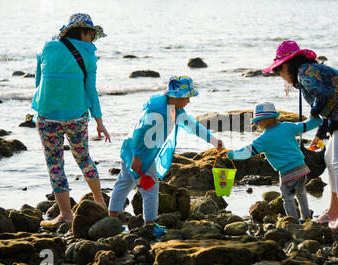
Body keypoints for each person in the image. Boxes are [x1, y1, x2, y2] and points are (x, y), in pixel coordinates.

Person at [262, 40, 338, 232]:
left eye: (278, 71)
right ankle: (333, 211)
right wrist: (320, 133)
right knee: (330, 160)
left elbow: (322, 96)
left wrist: (311, 117)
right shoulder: (307, 71)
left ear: (286, 65)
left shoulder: (305, 73)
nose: (280, 77)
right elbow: (328, 103)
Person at [108, 76, 224, 225]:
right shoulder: (157, 112)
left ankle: (111, 218)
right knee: (150, 189)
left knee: (125, 182)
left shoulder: (177, 111)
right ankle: (150, 224)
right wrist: (137, 157)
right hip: (139, 153)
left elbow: (193, 127)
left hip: (133, 150)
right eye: (187, 96)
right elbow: (138, 133)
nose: (189, 100)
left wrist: (214, 141)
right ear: (176, 96)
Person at [32, 13, 111, 228]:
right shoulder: (90, 55)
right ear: (83, 32)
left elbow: (39, 81)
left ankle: (65, 215)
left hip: (47, 117)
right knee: (84, 158)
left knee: (55, 165)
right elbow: (91, 91)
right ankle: (100, 202)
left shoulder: (46, 48)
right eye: (91, 34)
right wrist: (99, 121)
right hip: (76, 116)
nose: (92, 40)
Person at [227, 102, 322, 223]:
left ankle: (293, 221)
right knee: (301, 192)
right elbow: (305, 126)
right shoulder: (288, 126)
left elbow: (247, 152)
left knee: (287, 198)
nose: (257, 124)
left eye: (257, 121)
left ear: (261, 121)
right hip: (302, 167)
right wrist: (316, 119)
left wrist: (232, 155)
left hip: (287, 172)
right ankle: (306, 217)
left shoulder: (263, 139)